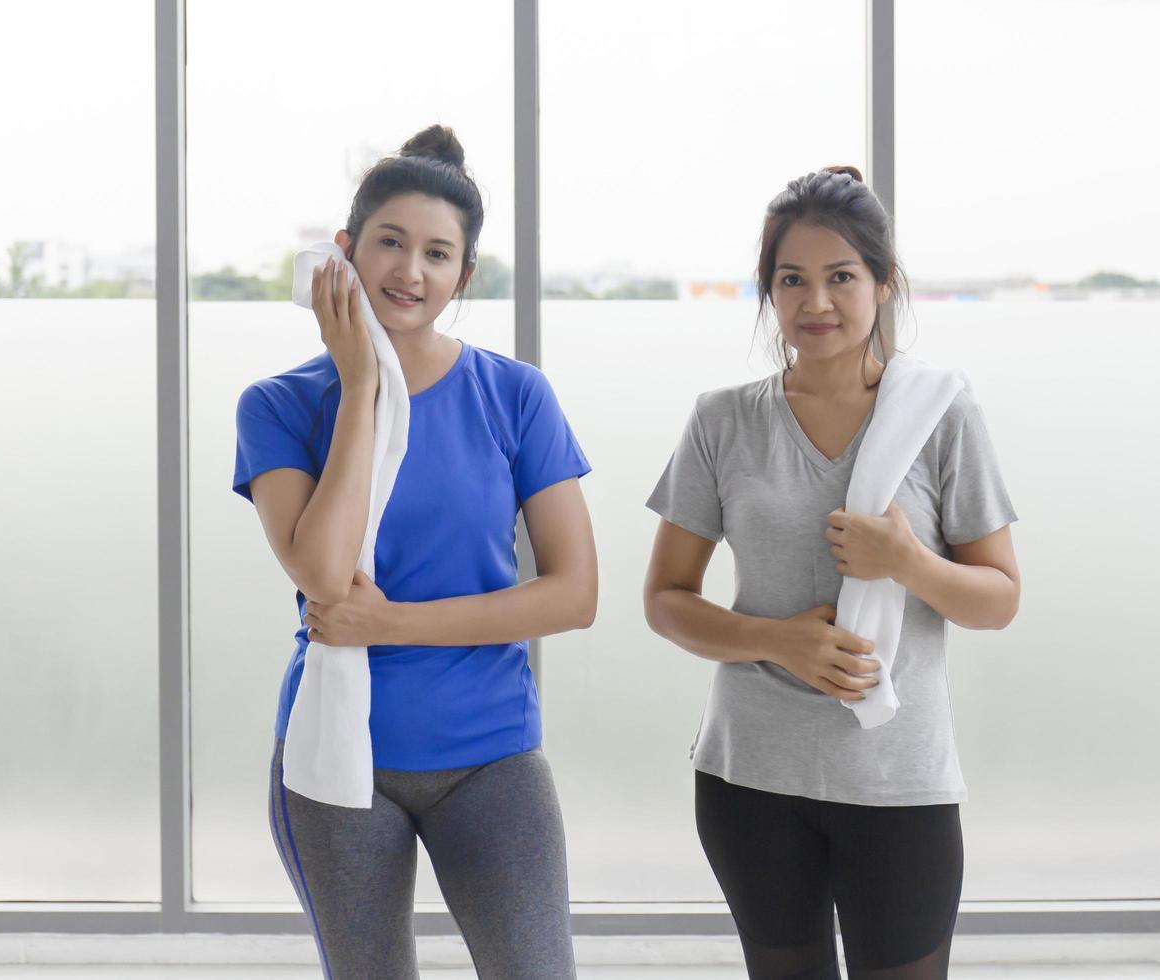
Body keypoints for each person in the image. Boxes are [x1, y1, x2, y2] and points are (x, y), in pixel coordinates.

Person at [233, 124, 595, 980]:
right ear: (345, 250)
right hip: (337, 755)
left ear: (463, 276)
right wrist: (362, 384)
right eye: (389, 243)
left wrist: (390, 621)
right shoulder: (278, 406)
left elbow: (572, 594)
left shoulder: (515, 394)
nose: (410, 271)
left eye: (438, 254)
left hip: (490, 750)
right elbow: (321, 573)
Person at [642, 165, 1021, 980]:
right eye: (793, 280)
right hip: (751, 781)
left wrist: (908, 561)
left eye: (841, 276)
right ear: (769, 293)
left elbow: (998, 601)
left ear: (885, 284)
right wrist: (776, 641)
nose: (816, 303)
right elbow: (666, 601)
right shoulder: (722, 421)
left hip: (899, 783)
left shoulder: (942, 413)